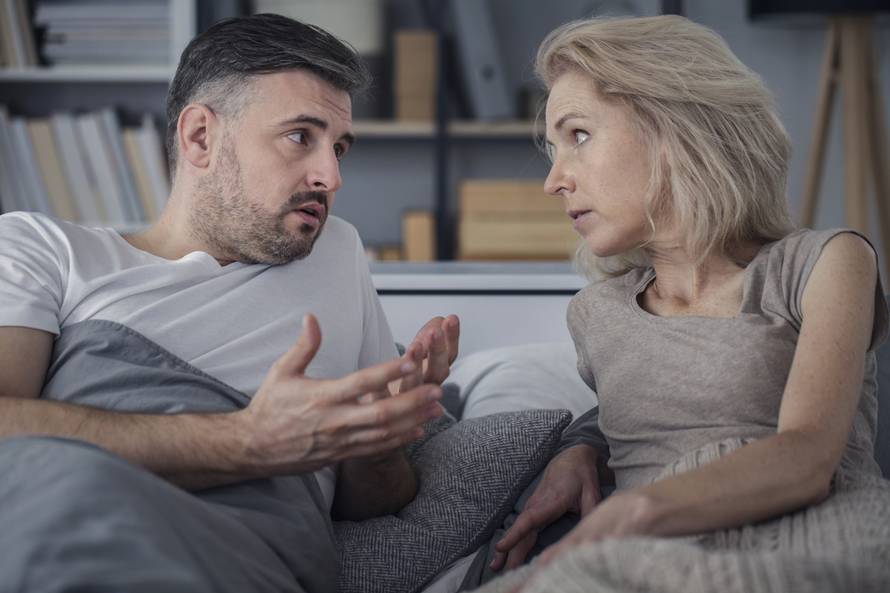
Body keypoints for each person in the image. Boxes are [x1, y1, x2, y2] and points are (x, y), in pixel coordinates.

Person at [0, 14, 459, 592]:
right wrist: (249, 441)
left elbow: (368, 501)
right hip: (77, 520)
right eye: (301, 136)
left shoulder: (336, 253)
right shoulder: (45, 250)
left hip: (245, 560)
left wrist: (382, 437)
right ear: (200, 137)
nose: (331, 176)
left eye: (339, 147)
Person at [467, 14, 890, 593]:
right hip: (639, 558)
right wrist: (581, 451)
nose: (554, 179)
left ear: (672, 126)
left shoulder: (826, 263)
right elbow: (646, 400)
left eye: (579, 135)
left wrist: (633, 513)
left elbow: (809, 455)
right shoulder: (595, 314)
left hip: (808, 536)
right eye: (551, 148)